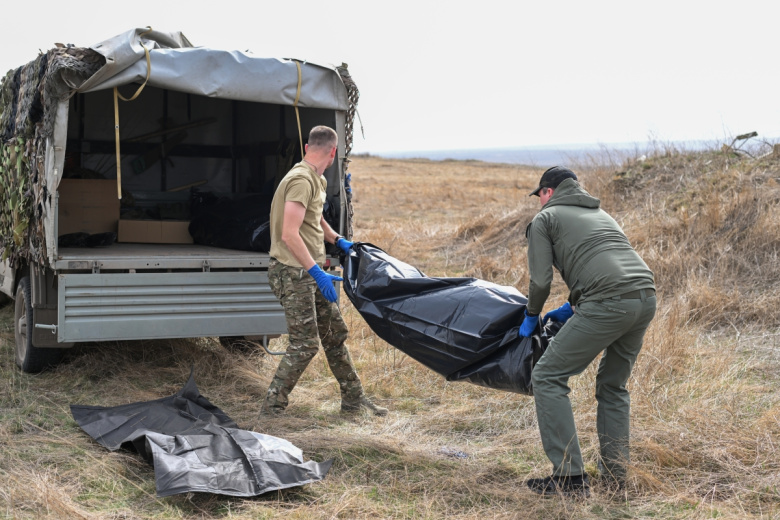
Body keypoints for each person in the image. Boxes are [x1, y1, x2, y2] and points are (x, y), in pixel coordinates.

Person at [519, 166, 656, 497]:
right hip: (645, 296)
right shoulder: (601, 214)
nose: (539, 202)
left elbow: (539, 282)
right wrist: (571, 305)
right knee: (613, 385)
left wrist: (531, 315)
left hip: (607, 302)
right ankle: (615, 477)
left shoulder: (545, 220)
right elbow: (603, 261)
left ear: (548, 192)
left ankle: (569, 480)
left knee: (548, 376)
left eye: (540, 196)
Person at [262, 125, 388, 417]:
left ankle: (354, 401)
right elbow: (289, 234)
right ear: (333, 153)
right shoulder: (300, 180)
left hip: (309, 269)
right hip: (292, 273)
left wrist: (337, 240)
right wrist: (316, 273)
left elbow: (314, 218)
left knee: (334, 334)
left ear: (308, 147)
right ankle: (271, 409)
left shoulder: (315, 178)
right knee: (304, 344)